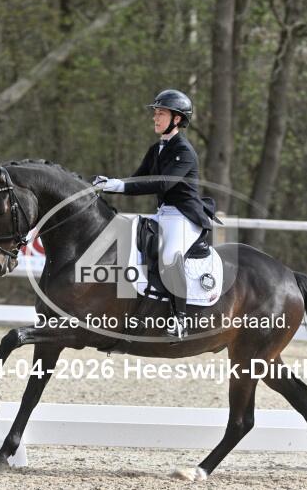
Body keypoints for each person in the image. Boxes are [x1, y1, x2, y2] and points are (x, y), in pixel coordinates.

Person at [93, 89, 221, 339]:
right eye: (155, 113)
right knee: (128, 241)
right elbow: (137, 179)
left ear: (176, 119)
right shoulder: (156, 149)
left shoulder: (184, 151)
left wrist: (114, 185)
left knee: (171, 256)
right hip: (163, 214)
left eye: (161, 113)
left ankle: (180, 319)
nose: (155, 117)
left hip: (184, 217)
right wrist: (106, 184)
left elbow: (162, 184)